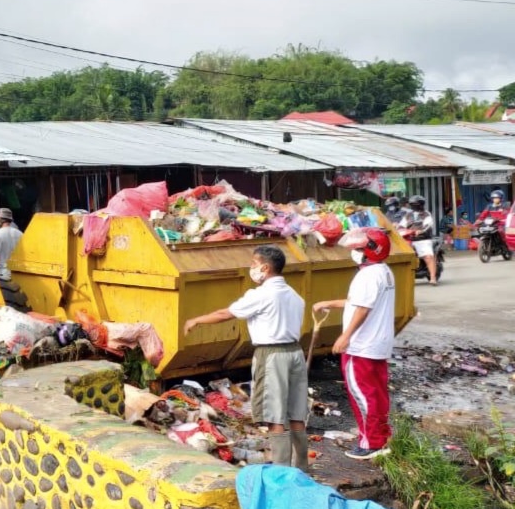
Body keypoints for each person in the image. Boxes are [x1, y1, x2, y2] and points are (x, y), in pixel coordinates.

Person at [184, 246, 309, 469]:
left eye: (253, 264)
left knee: (274, 415)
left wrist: (196, 320)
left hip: (272, 355)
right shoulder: (294, 295)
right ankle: (301, 468)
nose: (251, 268)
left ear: (265, 268)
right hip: (295, 353)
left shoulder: (261, 295)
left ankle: (280, 472)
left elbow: (225, 314)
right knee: (296, 414)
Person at [313, 228, 397, 460]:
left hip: (361, 345)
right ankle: (382, 437)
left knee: (362, 394)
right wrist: (328, 303)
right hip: (377, 345)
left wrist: (346, 336)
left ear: (370, 251)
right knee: (377, 394)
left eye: (358, 249)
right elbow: (358, 301)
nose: (354, 252)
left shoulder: (367, 275)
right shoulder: (383, 271)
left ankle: (371, 443)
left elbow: (363, 308)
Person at [404, 195, 439, 286]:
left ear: (420, 204)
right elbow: (401, 225)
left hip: (422, 239)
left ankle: (433, 278)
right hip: (409, 239)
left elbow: (428, 225)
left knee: (428, 256)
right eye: (411, 204)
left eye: (414, 204)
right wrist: (396, 227)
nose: (413, 206)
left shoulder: (426, 214)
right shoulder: (408, 215)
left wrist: (421, 231)